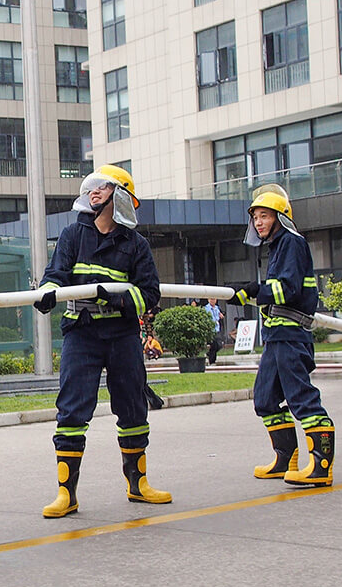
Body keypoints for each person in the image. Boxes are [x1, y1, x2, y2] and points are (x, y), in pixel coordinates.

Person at [34, 164, 171, 518]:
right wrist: (48, 292)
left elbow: (150, 294)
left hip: (122, 335)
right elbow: (55, 275)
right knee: (72, 411)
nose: (93, 193)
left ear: (120, 196)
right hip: (82, 333)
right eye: (90, 188)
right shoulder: (72, 236)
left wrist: (116, 298)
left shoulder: (135, 244)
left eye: (102, 188)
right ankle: (67, 494)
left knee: (133, 409)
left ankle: (138, 484)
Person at [228, 184, 334, 486]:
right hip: (276, 337)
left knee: (302, 399)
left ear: (280, 217)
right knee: (265, 399)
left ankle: (322, 465)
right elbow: (274, 291)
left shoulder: (291, 242)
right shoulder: (277, 247)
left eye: (265, 216)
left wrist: (253, 291)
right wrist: (252, 293)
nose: (259, 222)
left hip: (290, 336)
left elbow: (286, 289)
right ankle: (285, 460)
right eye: (256, 218)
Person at [204, 297, 224, 365]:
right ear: (208, 300)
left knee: (219, 345)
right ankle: (212, 361)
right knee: (214, 345)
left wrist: (221, 315)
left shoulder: (217, 308)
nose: (213, 301)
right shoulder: (206, 308)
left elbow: (220, 315)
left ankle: (209, 354)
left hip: (217, 328)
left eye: (214, 299)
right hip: (210, 329)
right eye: (211, 299)